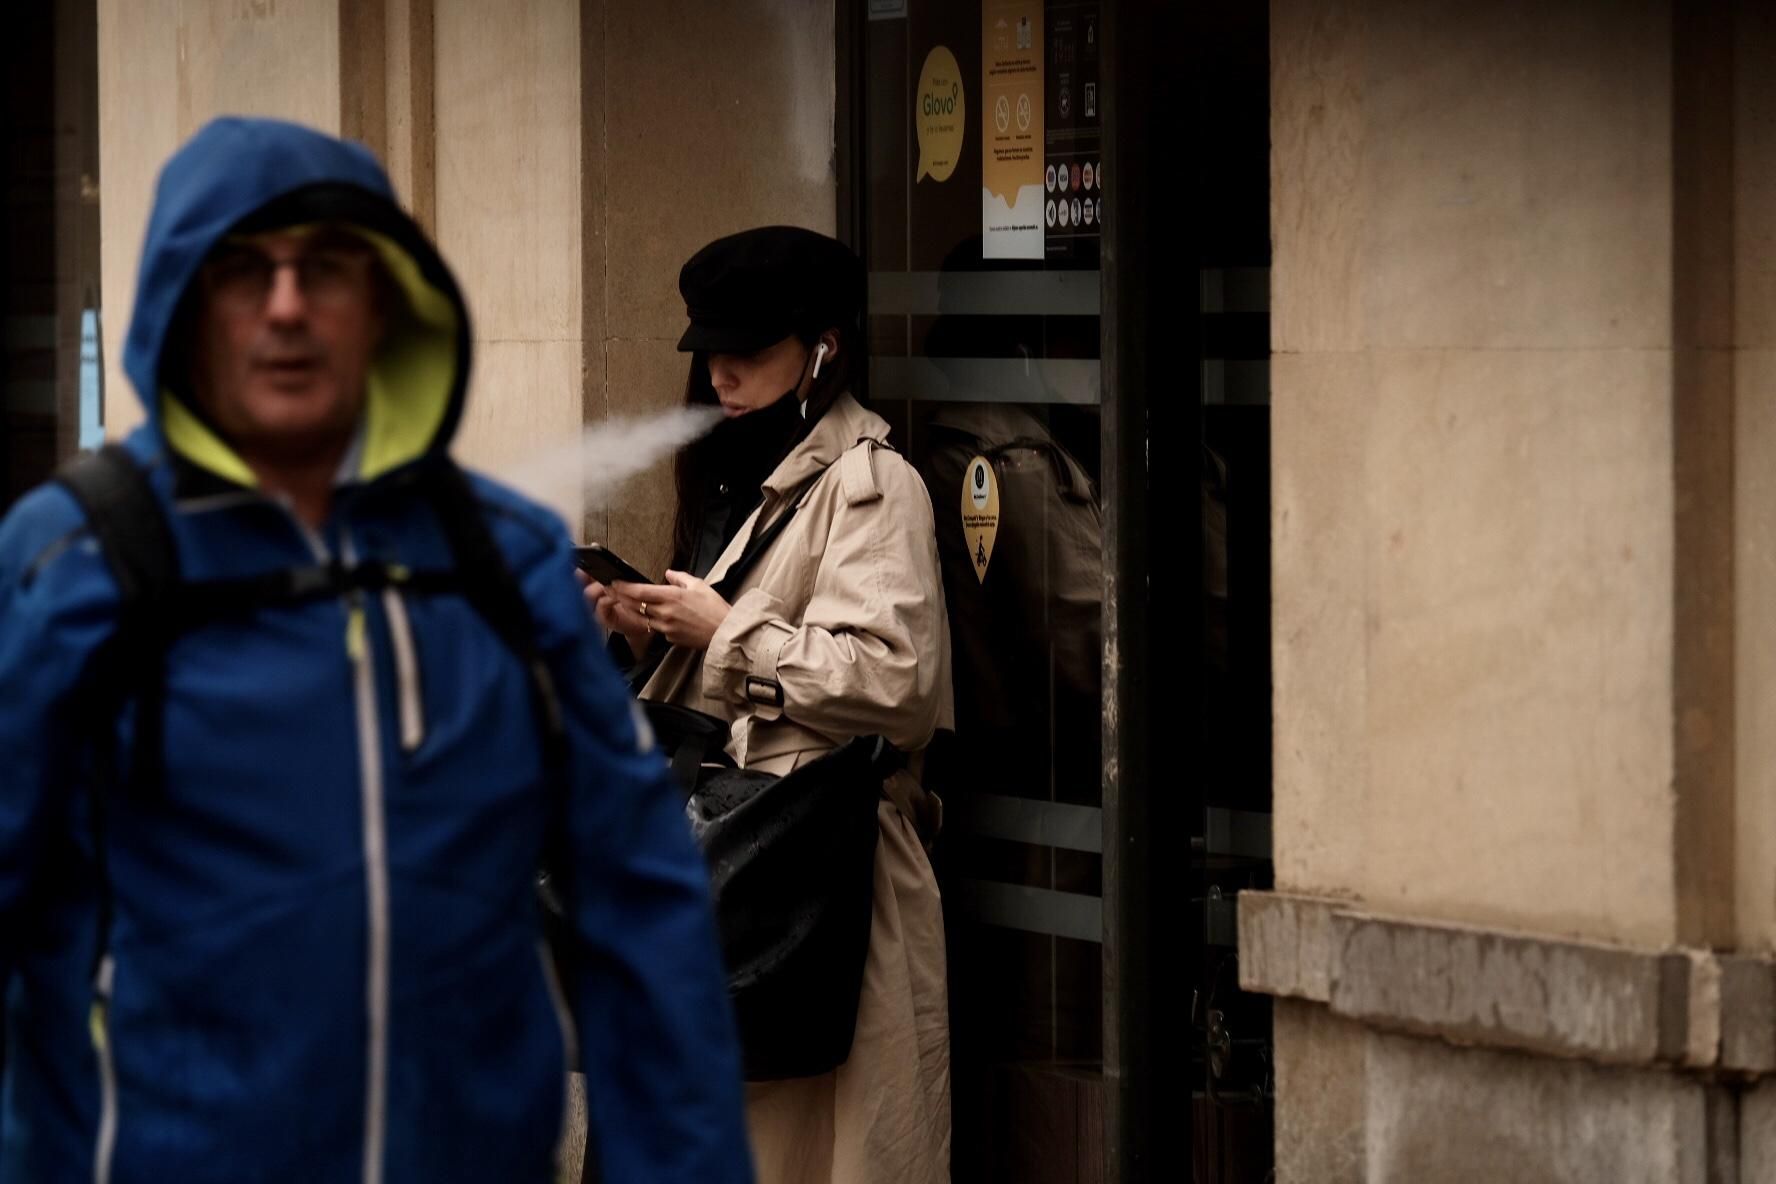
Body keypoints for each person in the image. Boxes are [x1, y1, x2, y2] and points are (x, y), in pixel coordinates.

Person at [0, 116, 752, 1183]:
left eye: (328, 268)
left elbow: (644, 908)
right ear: (184, 304)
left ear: (386, 305)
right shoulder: (76, 562)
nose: (289, 304)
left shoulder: (505, 562)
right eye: (245, 270)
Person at [582, 226, 953, 1184]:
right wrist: (641, 632)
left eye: (748, 348)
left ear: (823, 347)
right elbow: (738, 677)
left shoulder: (873, 484)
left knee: (809, 1144)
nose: (720, 371)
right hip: (740, 864)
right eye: (711, 348)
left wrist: (724, 630)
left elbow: (893, 683)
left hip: (820, 871)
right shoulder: (751, 478)